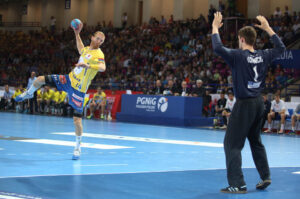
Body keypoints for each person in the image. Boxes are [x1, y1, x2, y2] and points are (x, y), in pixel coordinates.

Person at [212, 12, 285, 193]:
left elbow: (218, 48)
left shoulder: (237, 56)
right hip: (259, 103)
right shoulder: (263, 55)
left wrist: (214, 27)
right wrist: (268, 28)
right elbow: (281, 48)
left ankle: (238, 184)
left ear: (242, 39)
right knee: (255, 140)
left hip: (244, 104)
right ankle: (265, 175)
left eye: (239, 40)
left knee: (232, 144)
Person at [15, 22, 106, 160]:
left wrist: (87, 65)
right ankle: (29, 93)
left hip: (79, 89)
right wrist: (76, 33)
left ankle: (77, 147)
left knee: (77, 120)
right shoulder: (87, 49)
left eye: (102, 40)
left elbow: (102, 67)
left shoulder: (99, 53)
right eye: (97, 38)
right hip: (68, 79)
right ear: (92, 37)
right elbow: (80, 48)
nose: (99, 41)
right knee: (40, 79)